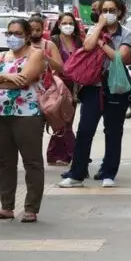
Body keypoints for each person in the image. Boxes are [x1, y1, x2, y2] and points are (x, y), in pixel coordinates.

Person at [59, 0, 131, 188]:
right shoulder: (94, 29)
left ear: (120, 12)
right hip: (93, 88)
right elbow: (87, 46)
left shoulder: (126, 34)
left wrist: (102, 44)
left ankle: (108, 173)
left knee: (113, 131)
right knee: (85, 130)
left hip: (116, 88)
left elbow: (120, 57)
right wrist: (99, 27)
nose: (108, 14)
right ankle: (77, 174)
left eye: (112, 10)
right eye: (104, 10)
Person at [0, 18, 46, 223]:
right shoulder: (1, 56)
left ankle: (31, 208)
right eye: (9, 33)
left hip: (26, 114)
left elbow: (24, 80)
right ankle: (6, 207)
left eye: (18, 33)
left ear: (27, 36)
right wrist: (8, 77)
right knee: (5, 162)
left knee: (32, 161)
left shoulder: (35, 54)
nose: (13, 37)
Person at [48, 13, 82, 166]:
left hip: (74, 86)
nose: (68, 26)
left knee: (68, 121)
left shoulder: (78, 41)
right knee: (61, 122)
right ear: (59, 25)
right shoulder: (54, 41)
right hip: (58, 85)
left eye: (71, 23)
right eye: (64, 23)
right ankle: (71, 154)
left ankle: (59, 155)